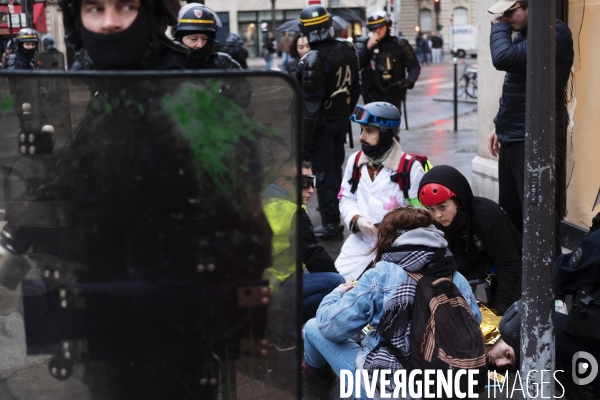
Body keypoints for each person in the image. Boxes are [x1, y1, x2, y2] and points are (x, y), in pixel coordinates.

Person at [302, 207, 481, 393]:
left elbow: (331, 327)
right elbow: (474, 322)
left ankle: (316, 379)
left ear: (389, 239)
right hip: (447, 387)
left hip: (389, 390)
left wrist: (336, 294)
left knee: (313, 327)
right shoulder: (456, 277)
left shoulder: (381, 274)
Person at [487, 0, 574, 257]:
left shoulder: (553, 33)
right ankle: (518, 289)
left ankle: (550, 292)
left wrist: (498, 28)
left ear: (531, 6)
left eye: (510, 11)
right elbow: (518, 86)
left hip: (538, 138)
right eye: (501, 14)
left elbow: (503, 58)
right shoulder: (527, 34)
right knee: (513, 219)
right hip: (514, 134)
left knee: (540, 223)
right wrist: (499, 122)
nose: (504, 17)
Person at [335, 102, 425, 280]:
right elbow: (346, 198)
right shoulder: (355, 161)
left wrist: (391, 227)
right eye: (361, 130)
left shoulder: (410, 168)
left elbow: (422, 213)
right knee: (336, 285)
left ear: (386, 134)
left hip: (398, 249)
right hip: (359, 246)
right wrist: (358, 221)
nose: (362, 137)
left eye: (369, 131)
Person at [418, 165, 522, 315]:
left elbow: (509, 266)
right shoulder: (437, 225)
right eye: (431, 209)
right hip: (471, 285)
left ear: (458, 201)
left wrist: (501, 313)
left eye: (442, 207)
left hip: (508, 281)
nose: (438, 215)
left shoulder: (487, 217)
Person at [297, 4, 360, 240]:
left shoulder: (313, 57)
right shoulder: (347, 49)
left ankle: (332, 223)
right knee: (334, 170)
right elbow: (356, 89)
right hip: (339, 120)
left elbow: (310, 106)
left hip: (322, 125)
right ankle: (336, 218)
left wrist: (302, 142)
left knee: (324, 173)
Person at [262, 159, 345, 323]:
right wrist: (344, 285)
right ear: (282, 182)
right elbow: (314, 255)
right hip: (274, 287)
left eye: (312, 182)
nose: (311, 190)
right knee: (335, 283)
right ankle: (281, 323)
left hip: (261, 288)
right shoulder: (292, 211)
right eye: (304, 183)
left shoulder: (264, 202)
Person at [60, 0, 187, 70]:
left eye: (128, 7)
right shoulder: (102, 94)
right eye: (96, 9)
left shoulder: (186, 104)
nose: (109, 23)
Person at [357, 10, 420, 137]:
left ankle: (392, 156)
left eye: (380, 27)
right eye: (374, 28)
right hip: (371, 95)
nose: (377, 31)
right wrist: (367, 48)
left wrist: (409, 82)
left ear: (388, 26)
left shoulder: (400, 44)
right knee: (371, 132)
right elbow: (356, 65)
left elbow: (414, 67)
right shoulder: (364, 44)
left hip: (393, 93)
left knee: (389, 132)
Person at [173, 3, 241, 70]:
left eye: (204, 39)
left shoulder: (224, 65)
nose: (200, 45)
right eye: (193, 39)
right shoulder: (166, 65)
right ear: (179, 39)